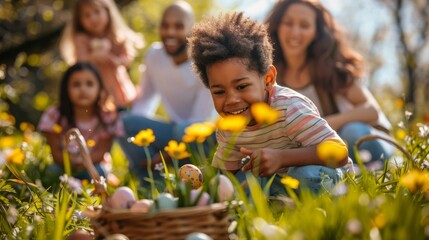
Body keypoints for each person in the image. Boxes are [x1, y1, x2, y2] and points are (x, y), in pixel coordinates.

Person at [188, 12, 350, 195]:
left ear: (268, 79)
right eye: (219, 92)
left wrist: (281, 158)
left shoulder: (289, 108)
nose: (231, 99)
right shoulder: (229, 126)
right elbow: (228, 174)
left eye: (242, 86)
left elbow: (339, 152)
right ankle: (278, 206)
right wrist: (202, 178)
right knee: (239, 182)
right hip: (278, 185)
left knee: (305, 175)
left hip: (325, 177)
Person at [265, 0, 394, 167]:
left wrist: (324, 123)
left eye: (304, 25)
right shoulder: (271, 74)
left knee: (352, 132)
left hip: (367, 141)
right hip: (317, 151)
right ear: (277, 26)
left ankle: (377, 169)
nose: (295, 32)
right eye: (288, 23)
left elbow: (372, 111)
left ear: (316, 33)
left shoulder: (333, 68)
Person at [119, 1, 216, 179]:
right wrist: (142, 140)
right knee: (122, 122)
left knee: (183, 129)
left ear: (192, 30)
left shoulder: (205, 62)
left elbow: (198, 121)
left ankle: (196, 176)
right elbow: (144, 103)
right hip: (173, 133)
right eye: (165, 25)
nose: (170, 32)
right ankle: (150, 181)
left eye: (178, 26)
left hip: (205, 138)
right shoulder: (154, 55)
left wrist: (168, 155)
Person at [38, 62, 124, 187]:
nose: (83, 89)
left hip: (92, 167)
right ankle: (63, 189)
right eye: (76, 84)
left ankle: (86, 189)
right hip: (64, 167)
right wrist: (72, 161)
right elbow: (56, 154)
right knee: (52, 172)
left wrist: (82, 161)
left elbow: (101, 152)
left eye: (89, 84)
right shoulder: (55, 115)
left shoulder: (108, 117)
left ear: (99, 88)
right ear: (66, 89)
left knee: (101, 172)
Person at [59, 0, 144, 109]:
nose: (93, 19)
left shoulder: (117, 36)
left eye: (97, 12)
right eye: (87, 15)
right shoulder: (81, 40)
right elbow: (79, 61)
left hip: (119, 90)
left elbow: (127, 58)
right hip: (96, 94)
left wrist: (117, 61)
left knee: (123, 114)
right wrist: (96, 57)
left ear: (108, 12)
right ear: (79, 20)